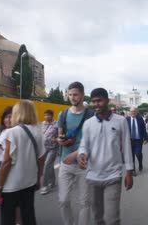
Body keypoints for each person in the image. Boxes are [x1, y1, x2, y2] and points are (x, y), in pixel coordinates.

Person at [78, 88, 134, 225]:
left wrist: (129, 171)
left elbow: (126, 146)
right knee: (98, 217)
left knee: (112, 219)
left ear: (107, 101)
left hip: (113, 175)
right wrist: (82, 154)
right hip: (92, 177)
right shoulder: (88, 124)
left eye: (100, 100)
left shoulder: (120, 121)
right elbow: (84, 144)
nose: (97, 104)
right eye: (94, 102)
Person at [0, 100, 46, 225]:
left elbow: (6, 162)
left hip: (11, 186)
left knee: (8, 219)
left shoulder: (12, 132)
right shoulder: (38, 132)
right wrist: (38, 178)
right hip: (29, 183)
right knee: (28, 216)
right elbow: (41, 159)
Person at [56, 81, 94, 225]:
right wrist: (61, 140)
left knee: (84, 201)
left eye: (75, 95)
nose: (72, 97)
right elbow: (60, 135)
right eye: (70, 94)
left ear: (82, 95)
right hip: (65, 163)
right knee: (63, 199)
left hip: (84, 164)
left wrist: (77, 153)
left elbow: (93, 140)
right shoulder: (63, 114)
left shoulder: (91, 115)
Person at [40, 109, 58, 195]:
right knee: (49, 166)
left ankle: (44, 186)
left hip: (53, 148)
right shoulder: (43, 123)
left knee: (47, 165)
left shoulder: (56, 124)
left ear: (52, 115)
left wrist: (57, 139)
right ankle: (53, 182)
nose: (46, 117)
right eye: (45, 115)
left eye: (48, 115)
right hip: (44, 148)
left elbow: (62, 134)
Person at [126, 107, 148, 175]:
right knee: (131, 155)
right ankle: (133, 170)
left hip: (138, 140)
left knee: (138, 153)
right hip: (130, 141)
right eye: (131, 111)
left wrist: (146, 138)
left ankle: (140, 163)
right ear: (129, 112)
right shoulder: (127, 119)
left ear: (136, 112)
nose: (133, 113)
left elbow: (144, 129)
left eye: (134, 111)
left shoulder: (140, 119)